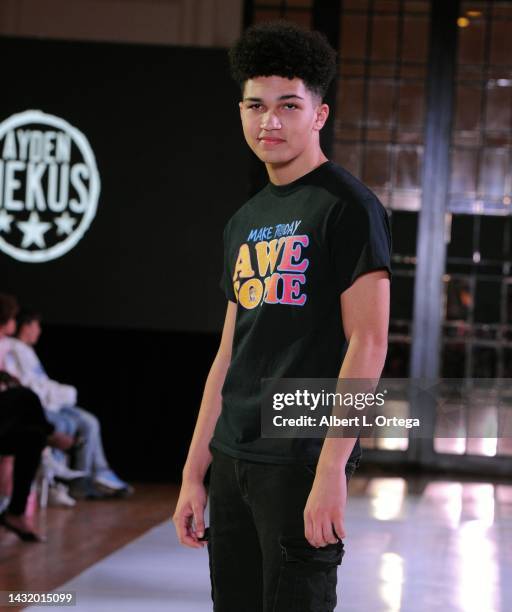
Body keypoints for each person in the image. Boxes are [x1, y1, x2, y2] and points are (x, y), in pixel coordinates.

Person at [172, 20, 392, 612]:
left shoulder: (348, 207)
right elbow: (228, 353)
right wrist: (196, 472)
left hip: (299, 458)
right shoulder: (242, 221)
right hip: (236, 459)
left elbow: (368, 344)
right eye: (256, 106)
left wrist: (332, 470)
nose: (270, 121)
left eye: (288, 105)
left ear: (319, 115)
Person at [4, 308, 133, 499]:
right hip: (38, 406)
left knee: (90, 422)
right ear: (26, 326)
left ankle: (87, 477)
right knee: (66, 424)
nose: (39, 330)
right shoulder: (12, 349)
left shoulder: (25, 350)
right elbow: (29, 388)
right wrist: (61, 394)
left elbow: (41, 383)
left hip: (51, 403)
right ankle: (58, 480)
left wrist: (63, 394)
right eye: (36, 325)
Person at [0, 293, 74, 542]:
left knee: (32, 437)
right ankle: (51, 434)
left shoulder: (7, 346)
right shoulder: (9, 348)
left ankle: (16, 512)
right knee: (24, 396)